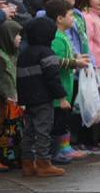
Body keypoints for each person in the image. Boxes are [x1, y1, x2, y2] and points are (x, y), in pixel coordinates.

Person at [38, 0, 90, 162]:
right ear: (60, 18)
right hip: (59, 90)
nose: (73, 19)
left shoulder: (61, 35)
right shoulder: (57, 37)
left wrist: (77, 59)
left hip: (66, 87)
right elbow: (54, 61)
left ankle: (63, 148)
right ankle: (55, 152)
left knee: (63, 119)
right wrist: (74, 63)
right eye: (70, 16)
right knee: (57, 122)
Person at [16, 15, 71, 177]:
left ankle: (27, 163)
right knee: (43, 131)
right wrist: (61, 98)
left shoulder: (23, 54)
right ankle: (43, 163)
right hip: (43, 100)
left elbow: (19, 78)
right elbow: (52, 78)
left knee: (29, 131)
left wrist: (23, 99)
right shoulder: (47, 53)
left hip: (28, 100)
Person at [0, 19, 23, 171]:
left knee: (9, 133)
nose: (20, 37)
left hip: (11, 102)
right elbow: (0, 81)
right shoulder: (1, 58)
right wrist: (6, 96)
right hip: (3, 102)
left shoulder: (13, 54)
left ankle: (10, 158)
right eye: (16, 34)